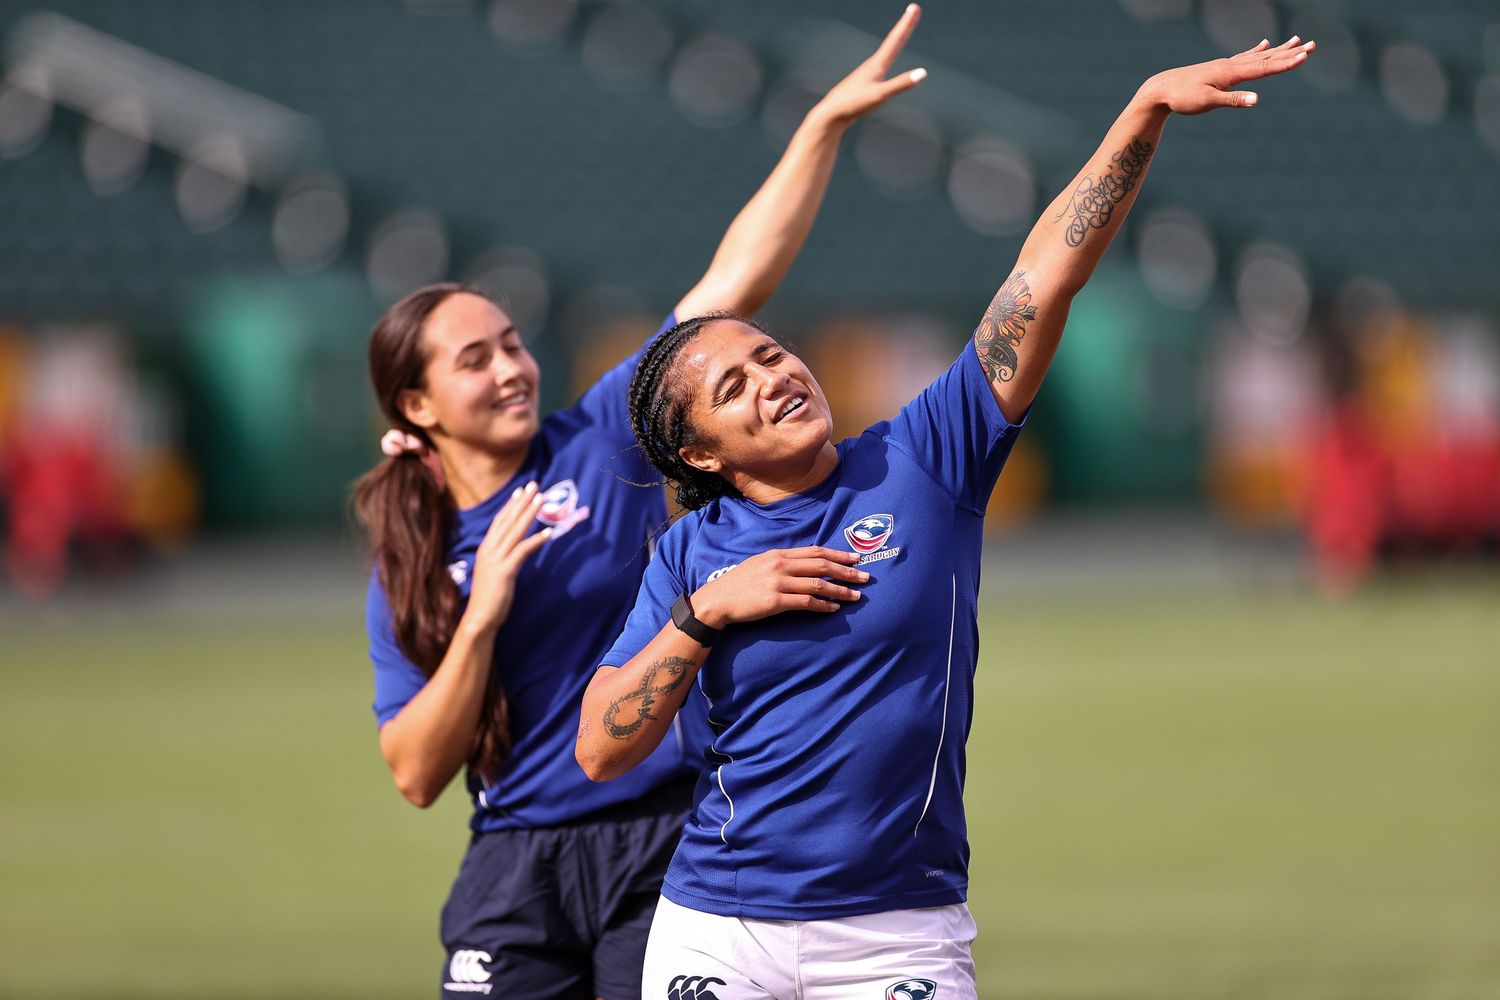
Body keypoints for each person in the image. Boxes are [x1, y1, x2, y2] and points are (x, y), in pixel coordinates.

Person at [577, 36, 1317, 998]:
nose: (776, 377)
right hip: (717, 931)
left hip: (899, 936)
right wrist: (706, 613)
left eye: (771, 354)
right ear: (700, 455)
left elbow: (1040, 280)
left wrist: (1142, 114)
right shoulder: (687, 555)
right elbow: (601, 747)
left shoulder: (927, 454)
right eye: (734, 385)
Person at [354, 8, 930, 999]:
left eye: (513, 342)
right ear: (416, 404)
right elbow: (413, 772)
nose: (510, 367)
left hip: (663, 837)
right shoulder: (415, 555)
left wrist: (821, 126)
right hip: (515, 862)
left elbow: (734, 281)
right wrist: (483, 615)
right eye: (474, 358)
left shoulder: (601, 438)